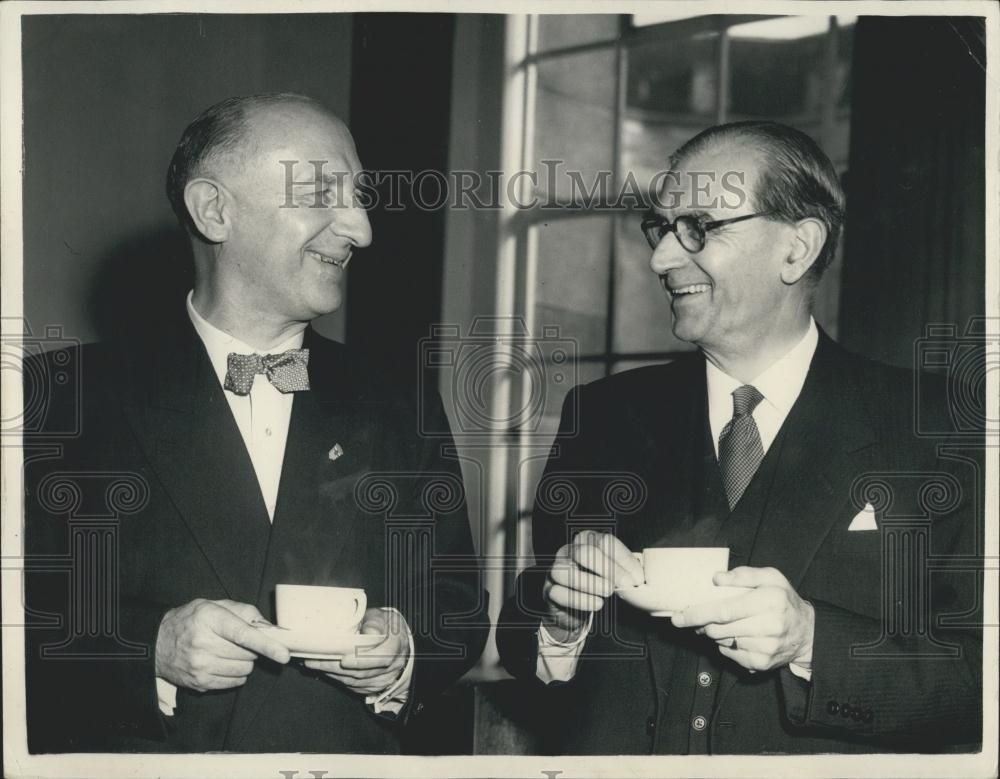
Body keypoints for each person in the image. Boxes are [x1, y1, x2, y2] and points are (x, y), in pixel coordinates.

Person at [496, 121, 982, 754]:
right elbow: (523, 636)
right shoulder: (604, 415)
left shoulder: (939, 426)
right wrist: (560, 621)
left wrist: (811, 641)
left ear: (797, 248)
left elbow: (979, 682)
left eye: (698, 227)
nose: (661, 259)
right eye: (661, 229)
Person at [23, 93, 489, 753]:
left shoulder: (401, 403)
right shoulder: (53, 398)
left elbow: (458, 605)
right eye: (322, 193)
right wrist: (146, 648)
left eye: (358, 197)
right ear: (216, 210)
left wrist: (406, 650)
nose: (360, 229)